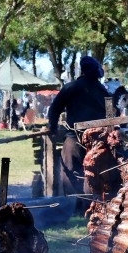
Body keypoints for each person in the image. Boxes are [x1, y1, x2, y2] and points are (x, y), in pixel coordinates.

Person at [47, 55, 110, 197]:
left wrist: (53, 125)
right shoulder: (102, 90)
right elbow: (112, 114)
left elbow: (55, 108)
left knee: (71, 171)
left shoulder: (71, 87)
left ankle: (75, 205)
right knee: (94, 171)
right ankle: (88, 203)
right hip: (95, 139)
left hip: (76, 138)